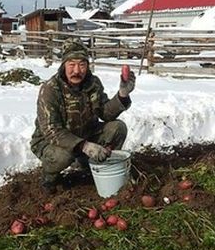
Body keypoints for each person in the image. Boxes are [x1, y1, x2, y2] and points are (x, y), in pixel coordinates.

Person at [30, 37, 136, 194]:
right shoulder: (50, 89)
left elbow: (105, 113)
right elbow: (52, 130)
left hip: (86, 134)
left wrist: (122, 95)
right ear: (63, 65)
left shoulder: (93, 83)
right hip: (51, 142)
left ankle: (91, 166)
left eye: (82, 64)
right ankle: (49, 177)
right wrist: (84, 146)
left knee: (118, 128)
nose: (77, 71)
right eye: (71, 65)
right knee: (64, 156)